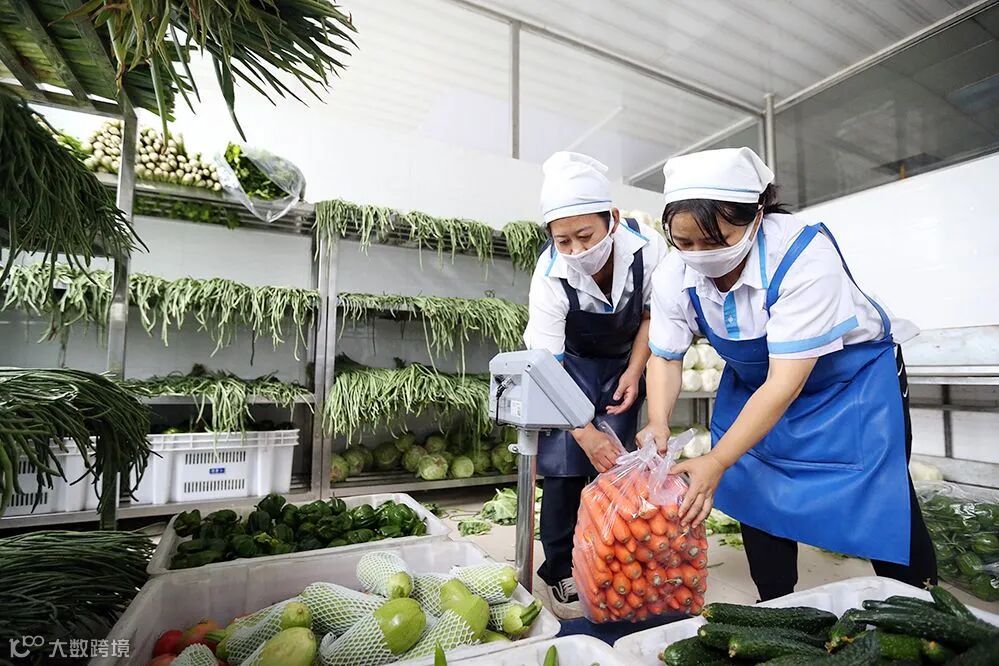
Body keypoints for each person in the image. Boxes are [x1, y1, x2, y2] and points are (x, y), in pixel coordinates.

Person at [640, 147, 937, 601]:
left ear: (756, 216)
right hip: (758, 385)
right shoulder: (672, 273)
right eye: (685, 242)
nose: (698, 255)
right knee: (755, 490)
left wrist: (716, 460)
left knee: (880, 498)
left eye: (716, 241)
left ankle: (920, 602)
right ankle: (775, 604)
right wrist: (658, 421)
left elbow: (786, 381)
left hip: (848, 385)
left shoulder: (802, 255)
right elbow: (664, 356)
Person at [524, 151, 668, 618]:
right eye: (562, 240)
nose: (575, 250)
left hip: (623, 364)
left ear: (613, 219)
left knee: (617, 470)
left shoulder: (648, 248)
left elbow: (652, 316)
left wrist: (634, 370)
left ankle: (608, 557)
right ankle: (560, 569)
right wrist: (583, 431)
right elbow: (546, 364)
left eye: (585, 236)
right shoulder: (549, 275)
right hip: (567, 369)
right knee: (566, 469)